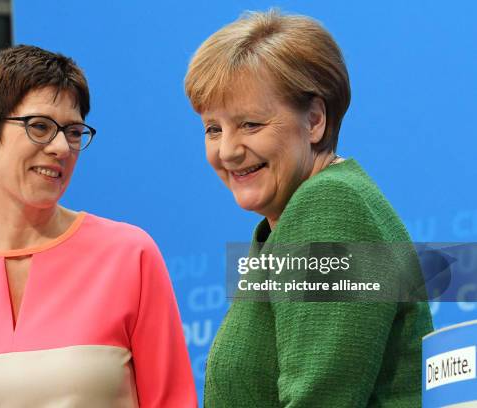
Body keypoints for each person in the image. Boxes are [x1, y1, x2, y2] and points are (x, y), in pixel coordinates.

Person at [0, 45, 197, 407]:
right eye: (40, 127)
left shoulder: (129, 255)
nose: (62, 147)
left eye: (74, 131)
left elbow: (173, 400)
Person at [184, 10, 433, 407]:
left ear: (314, 120)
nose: (227, 151)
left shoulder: (331, 206)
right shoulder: (296, 217)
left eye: (250, 124)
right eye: (213, 128)